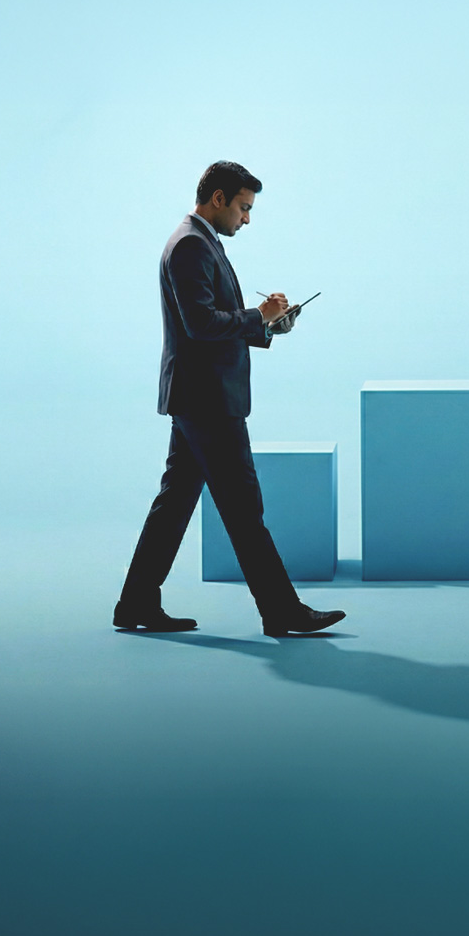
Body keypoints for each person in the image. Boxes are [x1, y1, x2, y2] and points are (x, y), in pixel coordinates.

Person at [114, 161, 345, 636]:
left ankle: (135, 604)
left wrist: (269, 325)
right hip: (208, 402)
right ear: (217, 198)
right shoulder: (190, 245)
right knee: (243, 509)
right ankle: (282, 611)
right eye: (243, 207)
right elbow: (200, 324)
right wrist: (258, 315)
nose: (247, 218)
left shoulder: (201, 241)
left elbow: (213, 321)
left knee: (175, 504)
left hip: (198, 398)